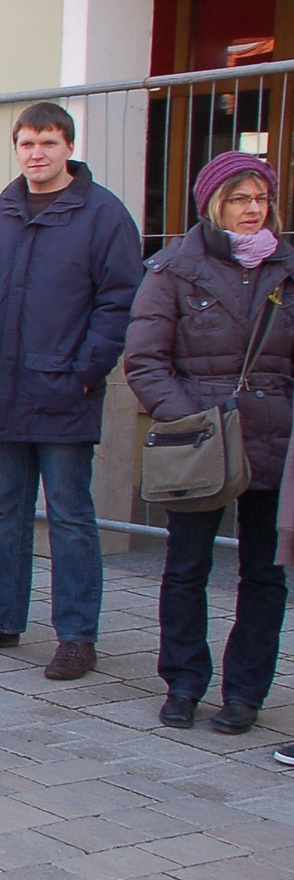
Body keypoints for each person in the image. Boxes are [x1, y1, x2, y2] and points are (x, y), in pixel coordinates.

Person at [0, 102, 143, 679]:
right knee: (8, 510)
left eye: (48, 143)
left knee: (72, 515)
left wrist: (84, 370)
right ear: (17, 147)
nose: (37, 154)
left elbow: (120, 300)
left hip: (63, 390)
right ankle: (1, 618)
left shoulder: (103, 216)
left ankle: (77, 635)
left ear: (68, 147)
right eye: (27, 144)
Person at [125, 152, 293, 736]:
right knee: (186, 565)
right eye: (240, 198)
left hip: (274, 440)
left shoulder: (288, 269)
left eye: (262, 198)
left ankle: (245, 693)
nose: (253, 210)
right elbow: (145, 361)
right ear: (213, 203)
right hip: (200, 442)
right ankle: (184, 683)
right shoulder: (172, 269)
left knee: (265, 574)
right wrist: (193, 422)